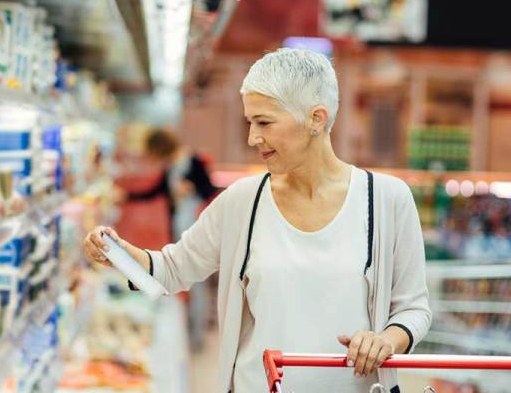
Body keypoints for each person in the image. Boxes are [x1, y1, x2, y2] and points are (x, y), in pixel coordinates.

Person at [83, 48, 431, 393]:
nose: (253, 138)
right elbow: (171, 271)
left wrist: (386, 340)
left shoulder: (387, 200)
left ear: (316, 119)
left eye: (264, 122)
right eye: (250, 122)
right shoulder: (242, 201)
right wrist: (118, 254)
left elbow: (413, 308)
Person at [122, 128, 218, 351]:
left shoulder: (194, 162)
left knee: (197, 283)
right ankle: (189, 331)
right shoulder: (169, 167)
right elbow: (156, 191)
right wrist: (127, 196)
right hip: (179, 228)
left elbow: (209, 190)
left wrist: (192, 188)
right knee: (182, 277)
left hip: (197, 228)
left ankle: (197, 336)